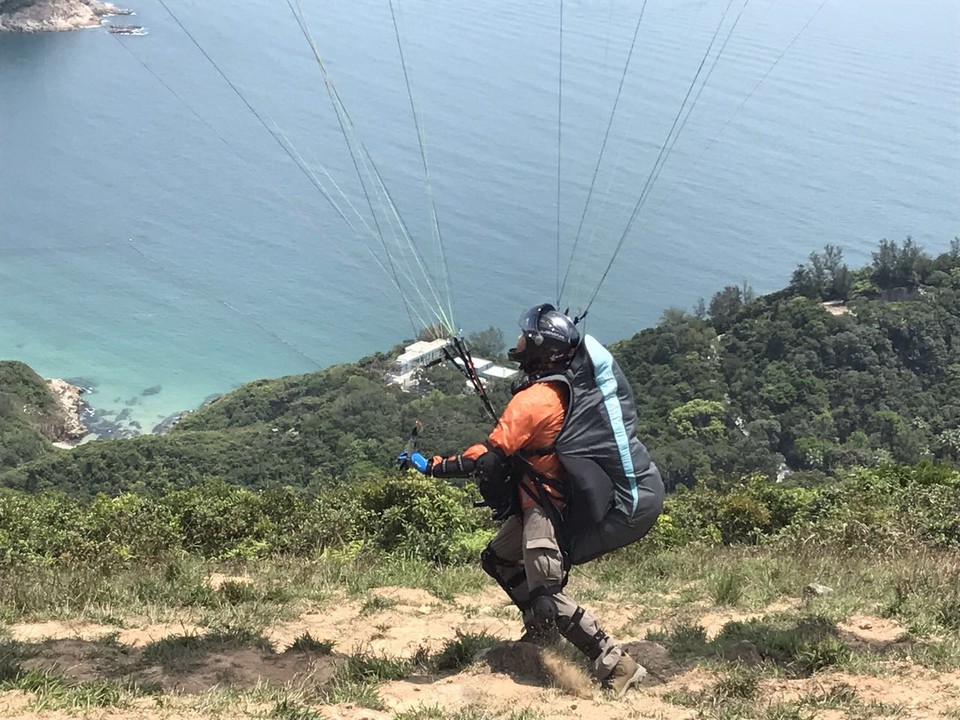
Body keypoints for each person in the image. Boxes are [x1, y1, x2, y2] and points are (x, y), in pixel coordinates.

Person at [398, 303, 664, 697]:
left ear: (540, 348)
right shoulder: (561, 385)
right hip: (536, 496)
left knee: (546, 592)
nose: (518, 340)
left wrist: (430, 465)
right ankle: (541, 637)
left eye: (525, 336)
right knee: (500, 559)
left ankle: (615, 662)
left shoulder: (536, 400)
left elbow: (487, 456)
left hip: (547, 504)